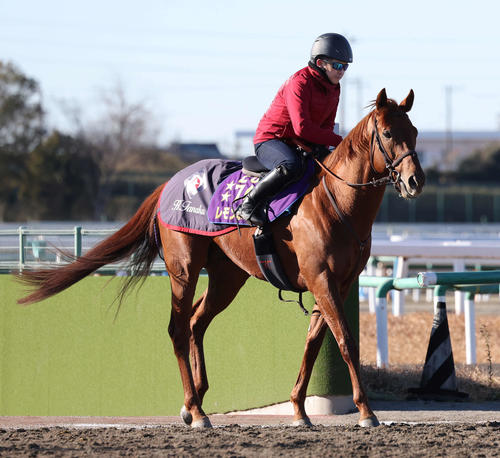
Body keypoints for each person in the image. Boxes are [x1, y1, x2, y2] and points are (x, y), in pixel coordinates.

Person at [236, 33, 353, 227]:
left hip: (301, 142)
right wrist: (341, 142)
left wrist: (329, 148)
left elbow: (326, 126)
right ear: (321, 62)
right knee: (290, 165)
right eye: (337, 66)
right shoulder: (299, 82)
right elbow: (302, 128)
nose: (342, 72)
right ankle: (248, 205)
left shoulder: (335, 88)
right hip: (271, 140)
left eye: (345, 67)